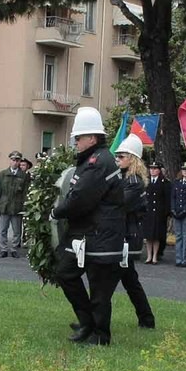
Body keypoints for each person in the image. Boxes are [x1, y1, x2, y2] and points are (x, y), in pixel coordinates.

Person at [52, 107, 125, 346]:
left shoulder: (97, 162)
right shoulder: (94, 160)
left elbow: (81, 198)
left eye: (79, 138)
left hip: (100, 236)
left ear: (92, 138)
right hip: (90, 234)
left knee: (100, 290)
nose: (76, 143)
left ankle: (100, 334)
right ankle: (88, 322)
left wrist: (57, 211)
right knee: (66, 272)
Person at [114, 134, 155, 327]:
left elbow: (118, 204)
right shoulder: (124, 178)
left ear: (132, 159)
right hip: (123, 234)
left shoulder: (133, 182)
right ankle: (146, 319)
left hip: (127, 236)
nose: (117, 159)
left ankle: (92, 319)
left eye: (121, 156)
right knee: (129, 280)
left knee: (116, 280)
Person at [0, 150, 28, 258]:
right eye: (13, 160)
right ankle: (3, 249)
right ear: (10, 161)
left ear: (19, 161)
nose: (15, 162)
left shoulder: (23, 175)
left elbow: (25, 192)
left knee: (17, 230)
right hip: (5, 205)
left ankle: (14, 248)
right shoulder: (3, 174)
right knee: (3, 229)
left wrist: (25, 206)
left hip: (17, 206)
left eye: (17, 160)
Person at [143, 161, 171, 264]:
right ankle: (149, 256)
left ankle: (155, 256)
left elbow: (167, 199)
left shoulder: (164, 182)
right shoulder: (146, 181)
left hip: (159, 213)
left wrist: (166, 213)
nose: (152, 171)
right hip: (148, 212)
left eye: (155, 169)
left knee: (156, 236)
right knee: (149, 236)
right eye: (151, 169)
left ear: (159, 170)